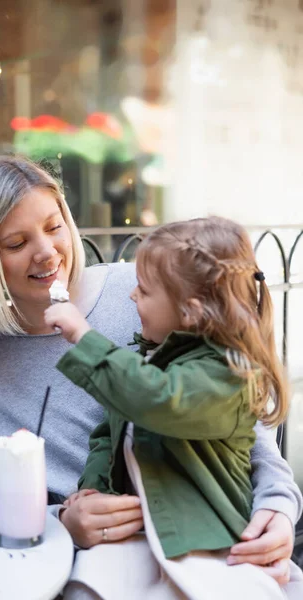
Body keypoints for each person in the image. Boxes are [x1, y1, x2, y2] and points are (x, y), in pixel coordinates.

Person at [0, 156, 301, 590]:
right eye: (16, 243)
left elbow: (234, 416)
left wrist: (278, 508)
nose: (46, 251)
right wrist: (65, 524)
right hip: (101, 570)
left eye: (54, 227)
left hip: (213, 541)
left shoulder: (148, 293)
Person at [45, 216, 303, 599]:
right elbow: (106, 435)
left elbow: (158, 401)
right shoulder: (152, 362)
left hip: (209, 544)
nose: (132, 296)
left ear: (192, 311)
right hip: (140, 538)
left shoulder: (226, 375)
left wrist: (83, 336)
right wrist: (94, 488)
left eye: (145, 291)